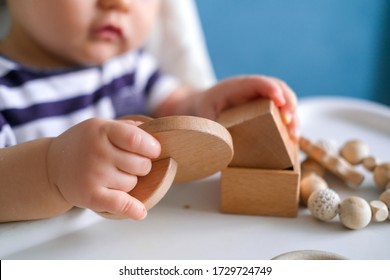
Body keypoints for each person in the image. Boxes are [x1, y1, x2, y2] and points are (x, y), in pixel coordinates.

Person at [0, 0, 299, 222]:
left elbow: (176, 109)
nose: (118, 4)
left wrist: (210, 105)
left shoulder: (127, 67)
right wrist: (52, 170)